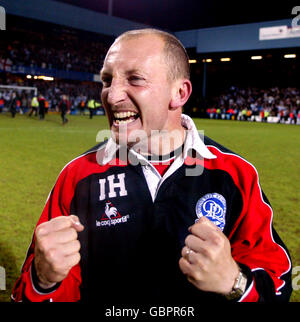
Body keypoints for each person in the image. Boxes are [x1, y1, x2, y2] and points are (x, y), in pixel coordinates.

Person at [12, 29, 292, 303]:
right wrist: (44, 281)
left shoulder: (235, 174)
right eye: (107, 80)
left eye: (135, 79)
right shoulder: (78, 176)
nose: (110, 96)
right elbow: (33, 291)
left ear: (179, 93)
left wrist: (235, 282)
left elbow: (278, 281)